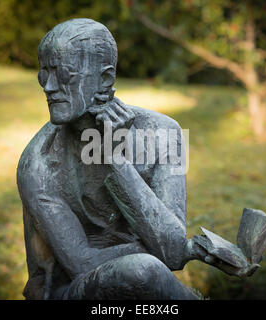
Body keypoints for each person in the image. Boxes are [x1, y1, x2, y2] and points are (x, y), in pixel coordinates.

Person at [17, 18, 243, 300]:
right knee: (143, 271)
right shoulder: (38, 163)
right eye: (43, 74)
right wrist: (180, 250)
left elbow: (170, 249)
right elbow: (82, 265)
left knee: (145, 272)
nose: (48, 87)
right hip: (69, 291)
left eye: (63, 74)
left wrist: (114, 159)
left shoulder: (163, 133)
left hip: (144, 282)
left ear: (105, 79)